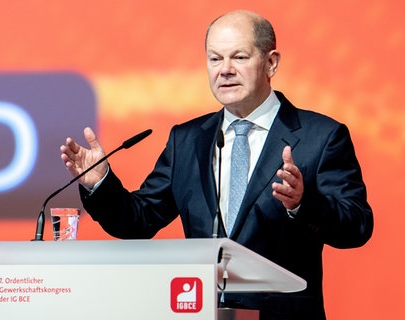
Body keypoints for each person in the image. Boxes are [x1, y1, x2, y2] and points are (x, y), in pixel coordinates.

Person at [60, 9, 373, 320]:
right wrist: (99, 182)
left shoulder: (322, 136)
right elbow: (137, 220)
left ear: (271, 63)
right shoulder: (187, 140)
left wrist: (303, 204)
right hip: (200, 311)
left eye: (239, 57)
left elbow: (357, 226)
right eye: (214, 58)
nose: (225, 70)